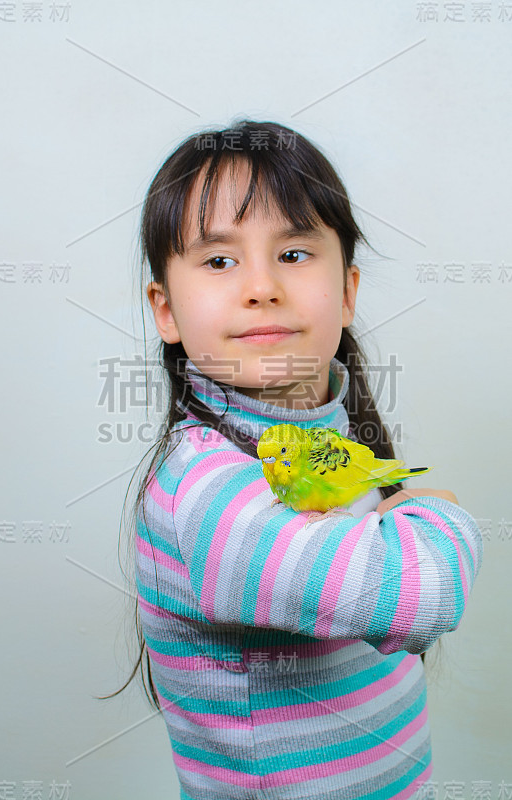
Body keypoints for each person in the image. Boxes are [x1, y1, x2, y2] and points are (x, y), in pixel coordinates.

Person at [122, 120, 483, 799]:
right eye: (219, 260)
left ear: (346, 292)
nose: (261, 286)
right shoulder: (205, 488)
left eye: (292, 253)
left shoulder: (328, 440)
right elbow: (420, 596)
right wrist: (440, 513)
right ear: (165, 312)